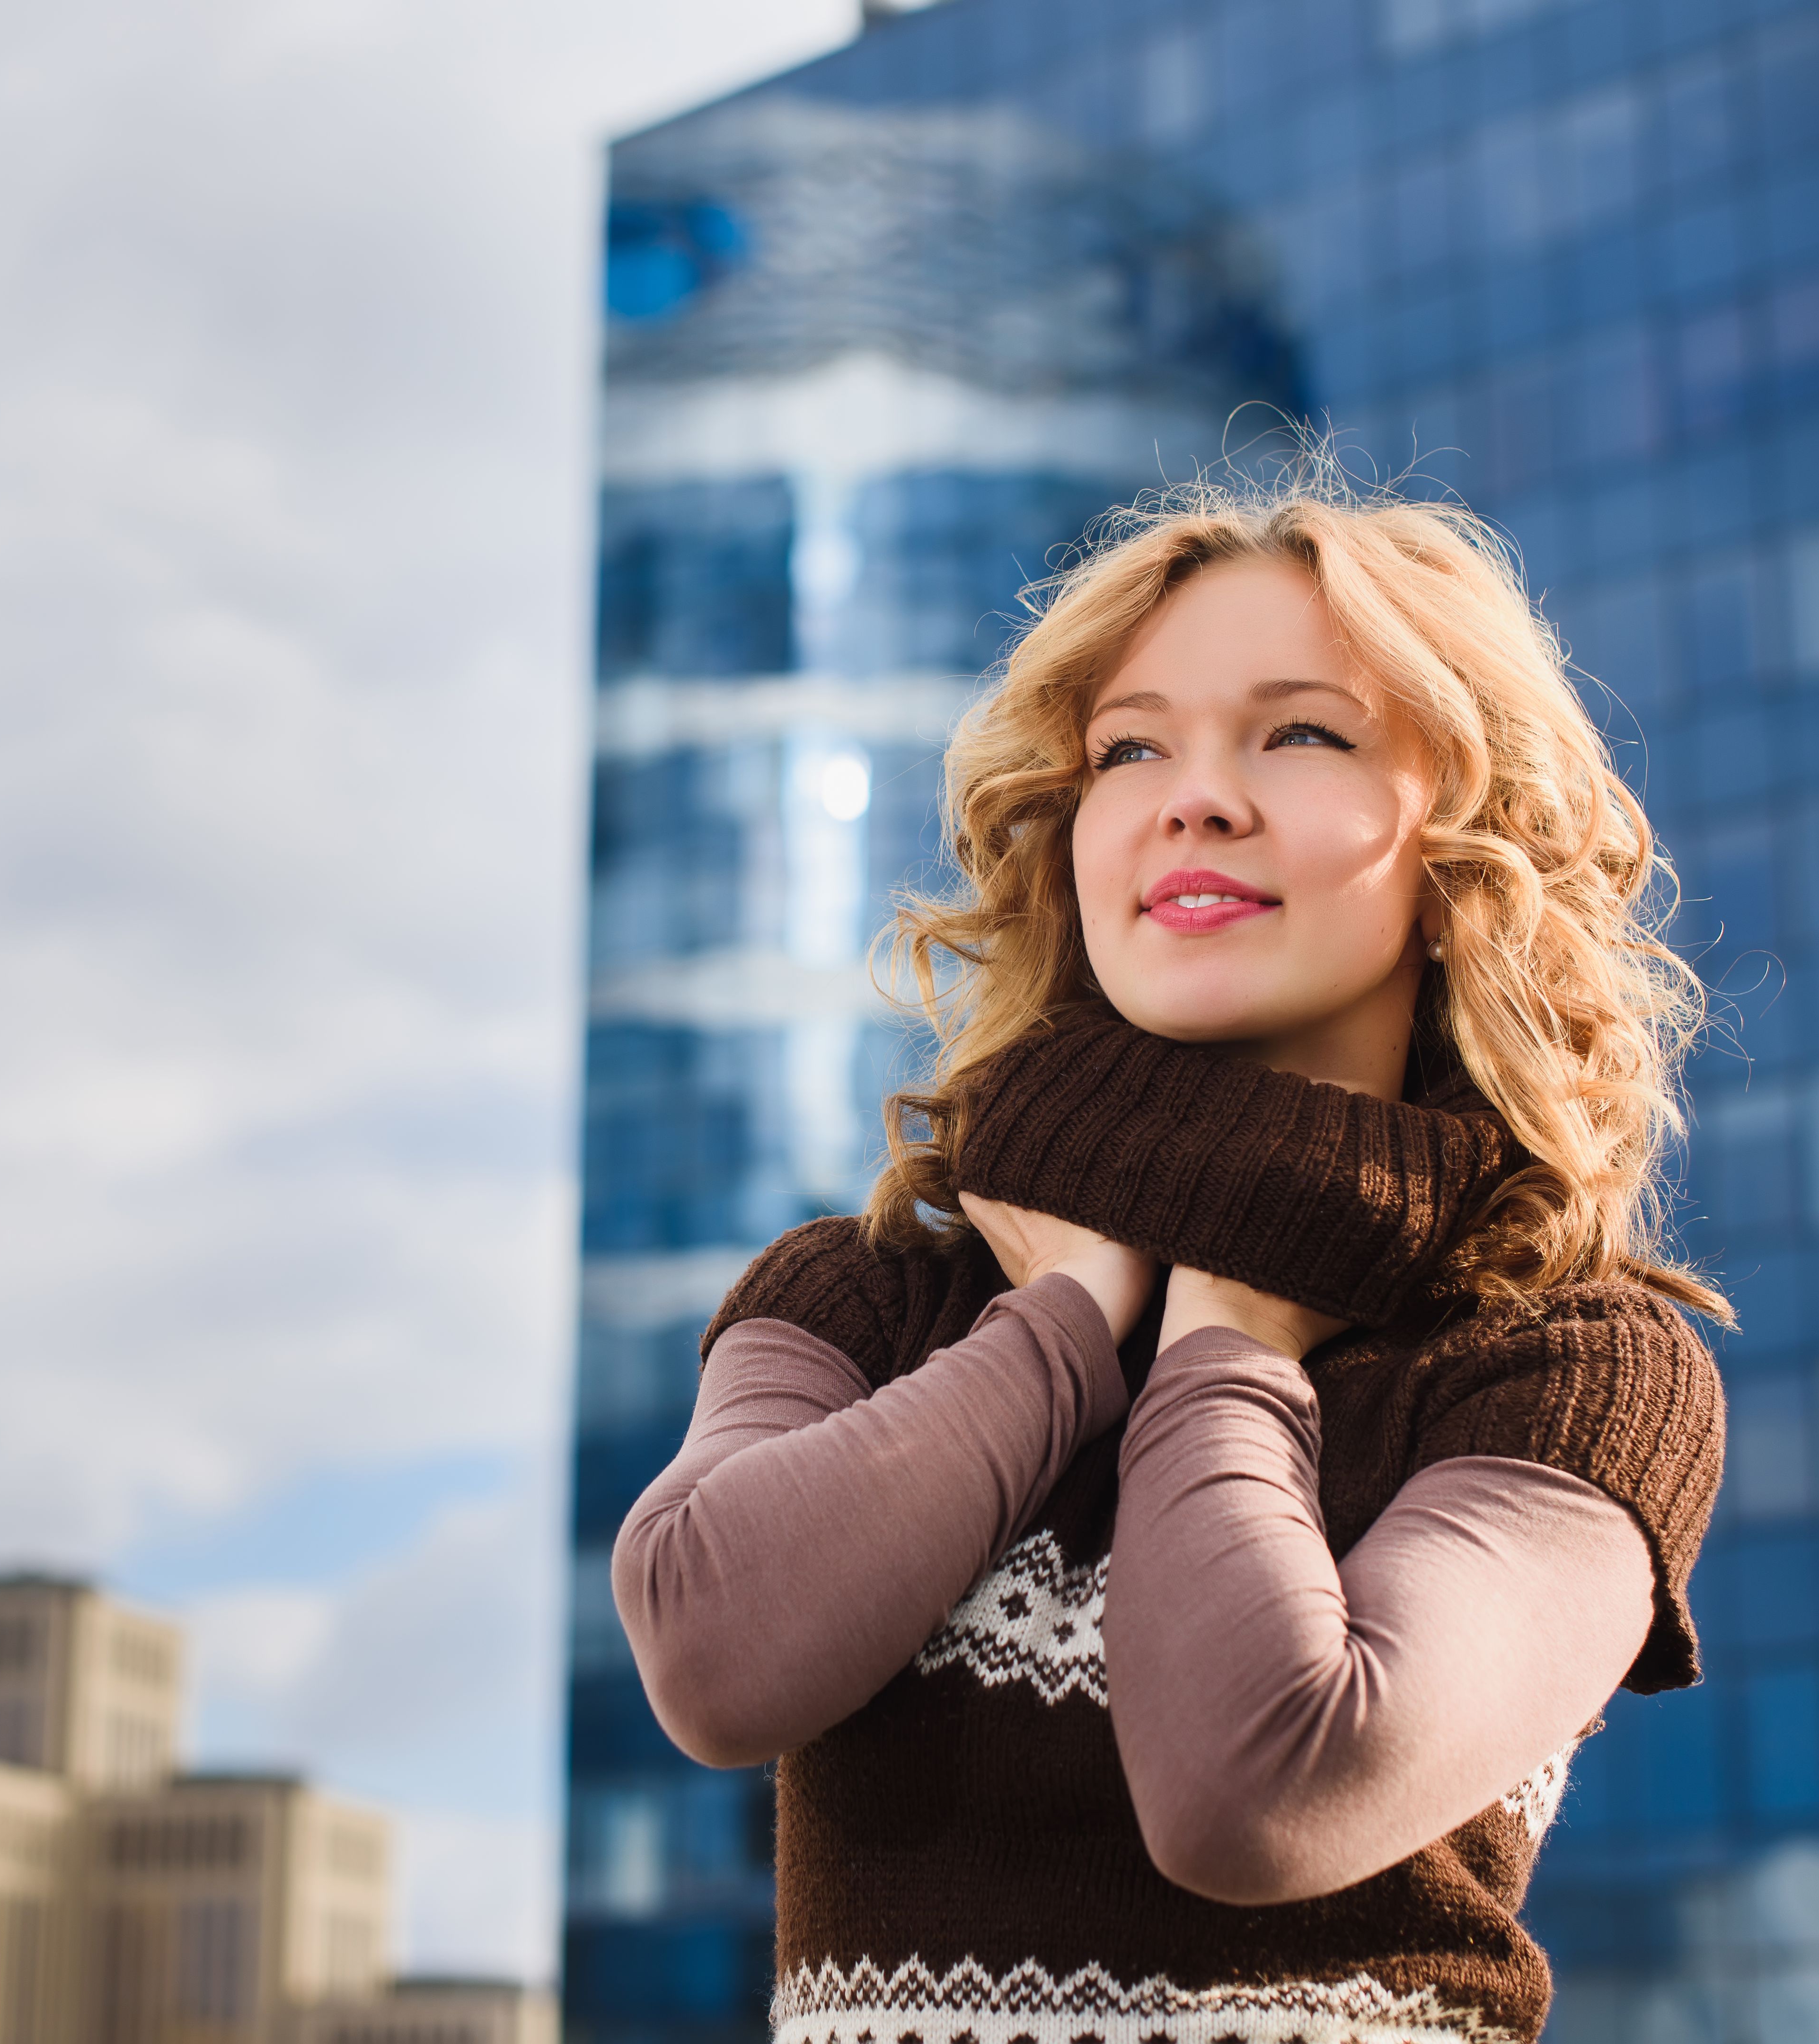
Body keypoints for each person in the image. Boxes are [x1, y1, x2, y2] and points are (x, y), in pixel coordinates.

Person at [610, 473, 1729, 2044]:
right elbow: (712, 1658)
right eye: (1128, 750)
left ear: (1465, 855)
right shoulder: (866, 1292)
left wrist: (1229, 1345)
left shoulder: (1568, 1367)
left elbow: (1261, 1787)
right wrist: (1061, 1325)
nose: (1190, 800)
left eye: (1301, 733)